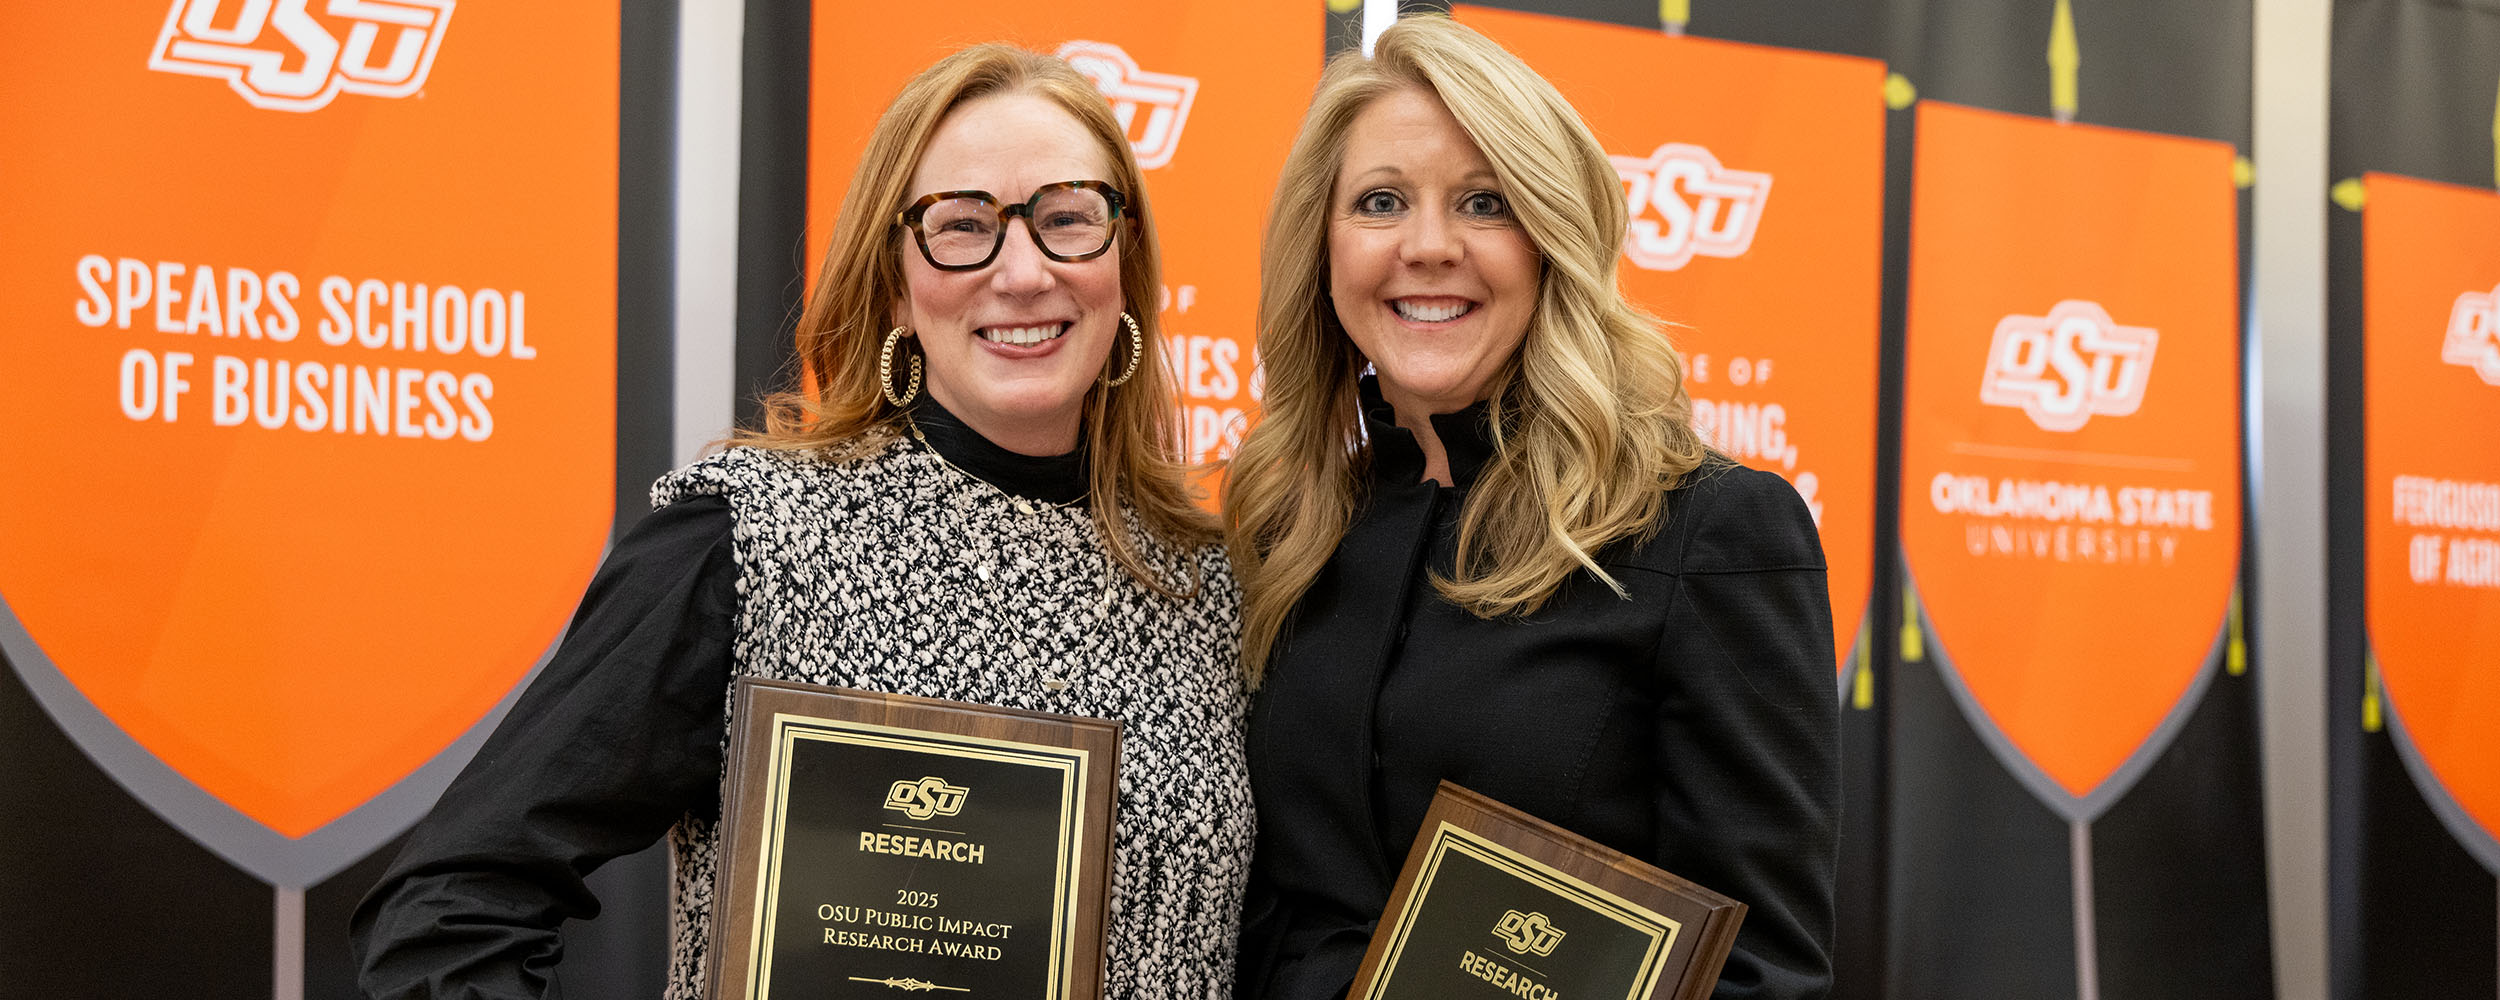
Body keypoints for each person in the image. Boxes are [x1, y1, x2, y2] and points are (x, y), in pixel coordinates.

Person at [350, 44, 1253, 1000]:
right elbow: (448, 911)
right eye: (962, 226)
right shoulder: (752, 537)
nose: (1023, 273)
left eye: (1068, 219)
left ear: (1126, 265)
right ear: (896, 282)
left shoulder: (1212, 594)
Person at [1223, 16, 1837, 1000]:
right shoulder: (1288, 528)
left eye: (1483, 202)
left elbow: (1763, 972)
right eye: (1381, 201)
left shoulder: (1706, 531)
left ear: (1550, 239)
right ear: (1324, 245)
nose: (1428, 246)